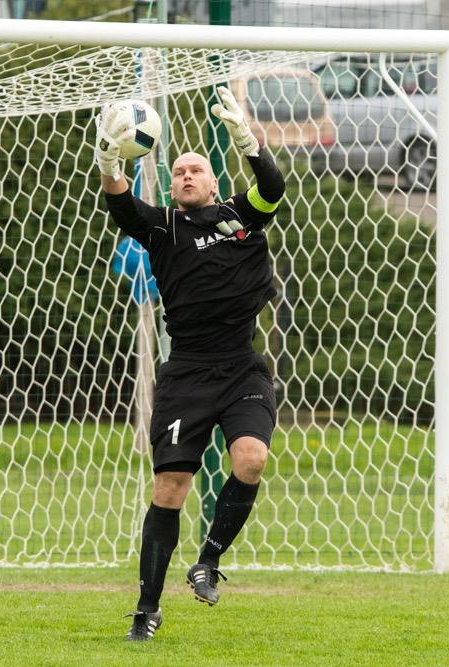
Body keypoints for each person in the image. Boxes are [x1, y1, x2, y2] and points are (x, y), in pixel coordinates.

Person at [95, 88, 285, 642]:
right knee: (171, 487)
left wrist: (246, 139)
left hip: (242, 368)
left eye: (194, 169)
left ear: (213, 181)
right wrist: (110, 159)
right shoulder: (162, 229)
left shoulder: (242, 215)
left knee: (251, 459)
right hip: (188, 372)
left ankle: (207, 561)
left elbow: (271, 187)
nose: (184, 175)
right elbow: (120, 204)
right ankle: (147, 608)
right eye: (177, 170)